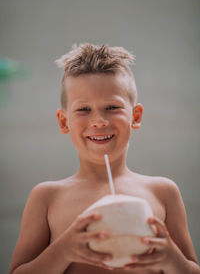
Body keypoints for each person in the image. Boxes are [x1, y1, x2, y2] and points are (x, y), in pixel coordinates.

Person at [9, 43, 200, 274]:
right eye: (83, 110)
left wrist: (171, 259)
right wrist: (62, 251)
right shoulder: (47, 196)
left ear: (136, 116)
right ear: (63, 121)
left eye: (111, 107)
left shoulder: (163, 191)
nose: (98, 121)